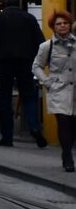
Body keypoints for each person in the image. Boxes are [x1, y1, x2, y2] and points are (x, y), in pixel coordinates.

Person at [0, 0, 47, 147]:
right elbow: (40, 42)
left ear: (6, 4)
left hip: (2, 63)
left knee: (5, 98)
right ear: (19, 4)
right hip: (25, 62)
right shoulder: (29, 19)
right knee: (29, 96)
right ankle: (34, 127)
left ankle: (7, 136)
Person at [33, 10, 76, 172]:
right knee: (64, 123)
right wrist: (47, 82)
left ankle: (67, 151)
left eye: (65, 23)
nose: (63, 26)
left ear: (70, 24)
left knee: (73, 127)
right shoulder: (47, 46)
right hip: (59, 90)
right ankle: (67, 156)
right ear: (53, 27)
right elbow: (36, 66)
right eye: (59, 24)